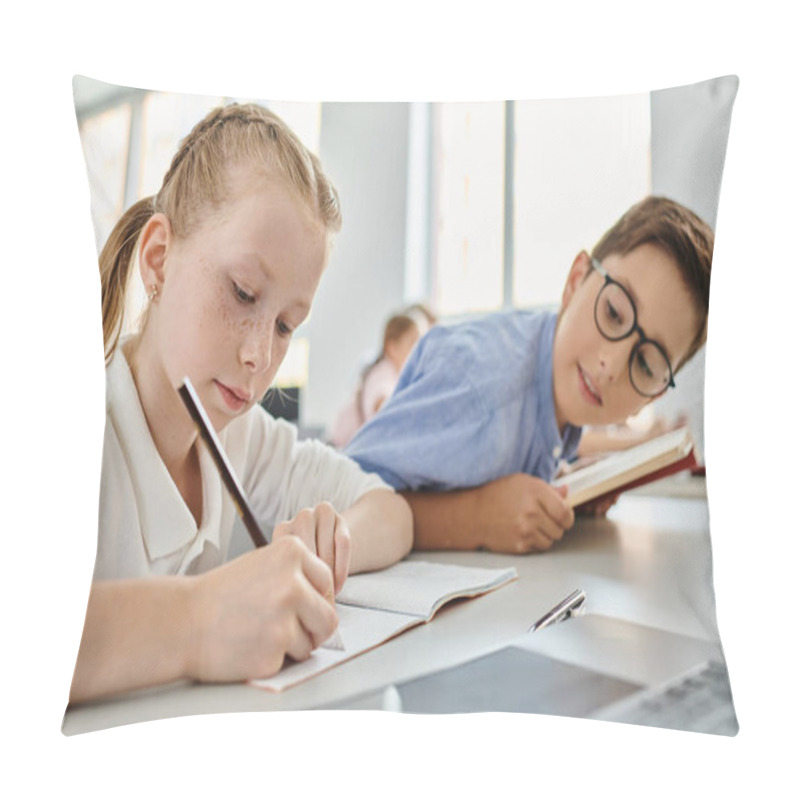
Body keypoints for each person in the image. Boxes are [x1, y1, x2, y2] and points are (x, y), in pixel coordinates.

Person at [70, 103, 413, 704]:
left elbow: (390, 513)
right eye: (242, 292)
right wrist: (204, 618)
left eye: (285, 325)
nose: (259, 355)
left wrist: (323, 548)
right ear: (159, 260)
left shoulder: (241, 437)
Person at [345, 196, 713, 555]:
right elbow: (336, 491)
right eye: (614, 313)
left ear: (653, 396)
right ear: (575, 281)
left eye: (647, 365)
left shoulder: (561, 404)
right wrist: (476, 519)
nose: (612, 366)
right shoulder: (482, 384)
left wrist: (559, 492)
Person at [329, 312, 424, 448]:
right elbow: (382, 402)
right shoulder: (382, 375)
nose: (417, 352)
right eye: (411, 343)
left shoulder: (393, 375)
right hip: (339, 448)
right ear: (392, 347)